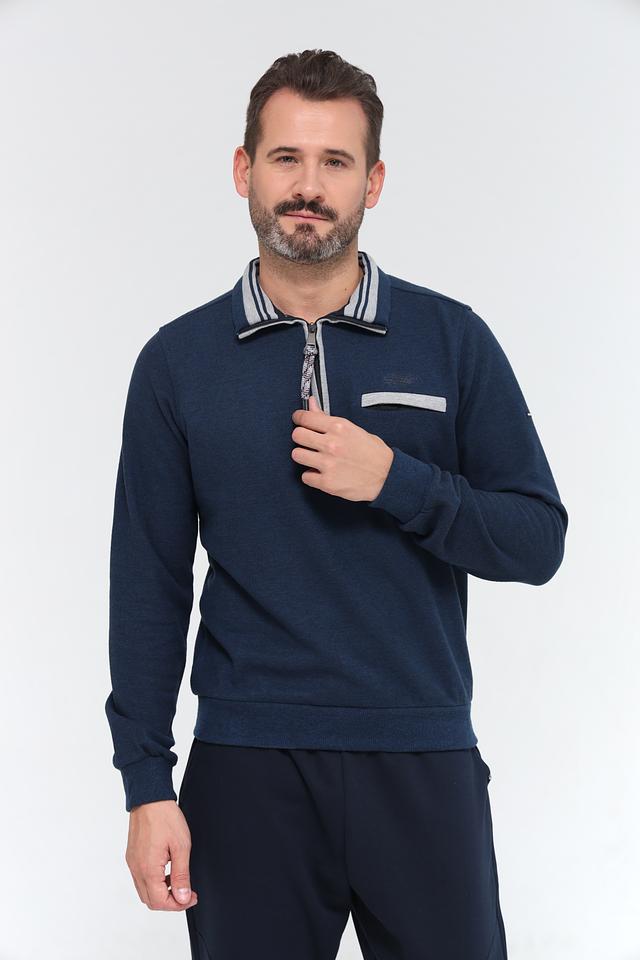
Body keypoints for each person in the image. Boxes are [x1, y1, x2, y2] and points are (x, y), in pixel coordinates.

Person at [105, 48, 568, 960]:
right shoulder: (177, 363)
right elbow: (148, 585)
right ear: (244, 170)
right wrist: (146, 784)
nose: (308, 187)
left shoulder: (453, 340)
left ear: (374, 182)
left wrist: (398, 480)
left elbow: (536, 540)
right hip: (247, 767)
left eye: (335, 162)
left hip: (422, 755)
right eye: (286, 158)